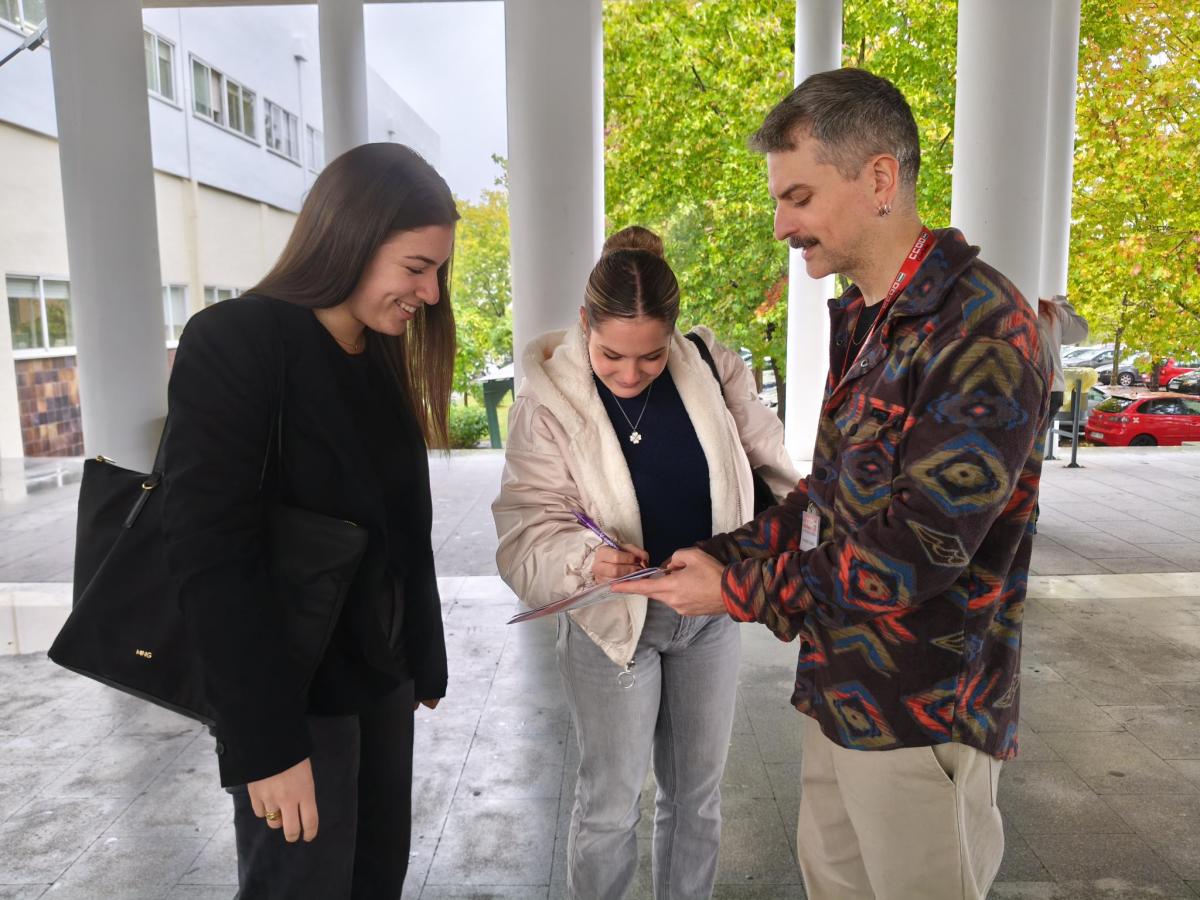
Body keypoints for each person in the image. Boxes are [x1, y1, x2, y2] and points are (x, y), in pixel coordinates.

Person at [617, 69, 1051, 900]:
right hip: (842, 700)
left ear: (880, 180)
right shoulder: (868, 315)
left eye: (801, 196)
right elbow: (829, 507)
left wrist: (737, 588)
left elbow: (914, 557)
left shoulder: (981, 329)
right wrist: (705, 555)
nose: (782, 224)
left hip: (924, 721)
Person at [161, 143, 456, 898]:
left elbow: (398, 530)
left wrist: (422, 653)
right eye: (416, 267)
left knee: (373, 880)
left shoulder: (374, 352)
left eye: (438, 273)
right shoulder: (238, 341)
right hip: (292, 694)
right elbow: (209, 555)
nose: (428, 292)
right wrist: (264, 744)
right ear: (351, 237)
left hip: (378, 679)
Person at [492, 226, 797, 900]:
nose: (630, 376)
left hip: (709, 613)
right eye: (610, 357)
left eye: (651, 358)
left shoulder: (710, 365)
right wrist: (587, 561)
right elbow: (524, 529)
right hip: (613, 625)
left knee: (698, 800)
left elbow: (775, 469)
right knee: (609, 808)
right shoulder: (547, 399)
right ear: (583, 323)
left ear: (674, 334)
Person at [1038, 293, 1090, 421]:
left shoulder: (1003, 305)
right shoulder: (1049, 310)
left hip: (1026, 386)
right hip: (1052, 388)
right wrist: (1060, 301)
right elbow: (1080, 331)